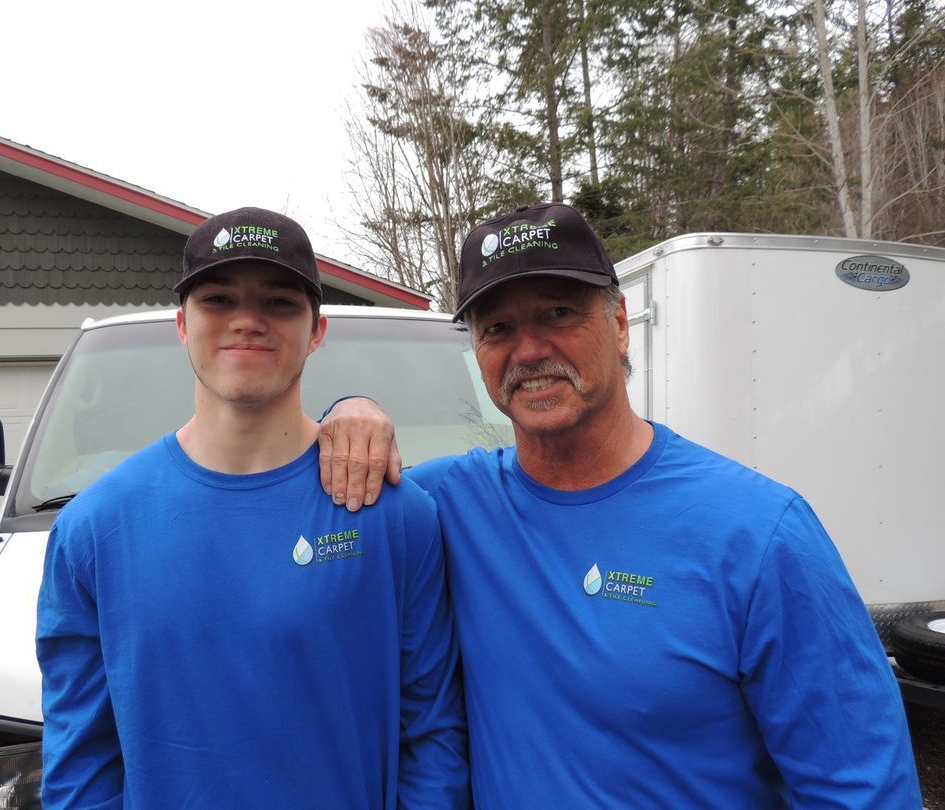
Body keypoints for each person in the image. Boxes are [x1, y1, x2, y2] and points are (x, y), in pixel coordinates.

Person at [325, 203, 922, 807]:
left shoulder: (758, 533)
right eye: (498, 328)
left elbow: (861, 788)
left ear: (617, 321)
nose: (528, 350)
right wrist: (348, 409)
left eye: (558, 313)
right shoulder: (446, 504)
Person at [36, 207, 469, 809]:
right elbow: (80, 765)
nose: (247, 321)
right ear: (181, 324)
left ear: (317, 330)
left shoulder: (392, 513)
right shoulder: (92, 530)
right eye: (217, 299)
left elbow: (433, 735)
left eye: (279, 303)